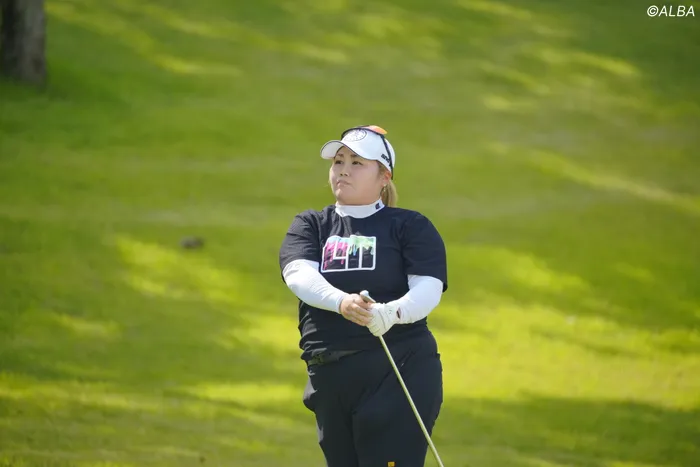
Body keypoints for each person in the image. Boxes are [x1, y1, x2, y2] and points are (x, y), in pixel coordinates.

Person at [278, 125, 449, 467]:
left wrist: (391, 313)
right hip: (329, 375)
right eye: (338, 161)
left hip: (398, 369)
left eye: (357, 163)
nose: (343, 169)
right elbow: (298, 274)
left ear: (384, 177)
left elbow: (428, 287)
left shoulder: (410, 226)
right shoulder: (311, 224)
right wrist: (342, 302)